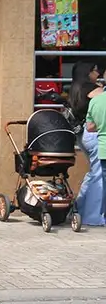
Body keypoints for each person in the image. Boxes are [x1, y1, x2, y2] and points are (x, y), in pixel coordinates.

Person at [69, 61, 106, 226]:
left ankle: (78, 209)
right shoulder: (90, 89)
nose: (97, 74)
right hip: (92, 134)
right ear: (87, 73)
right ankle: (93, 217)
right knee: (98, 176)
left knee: (92, 174)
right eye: (94, 71)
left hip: (82, 135)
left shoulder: (76, 88)